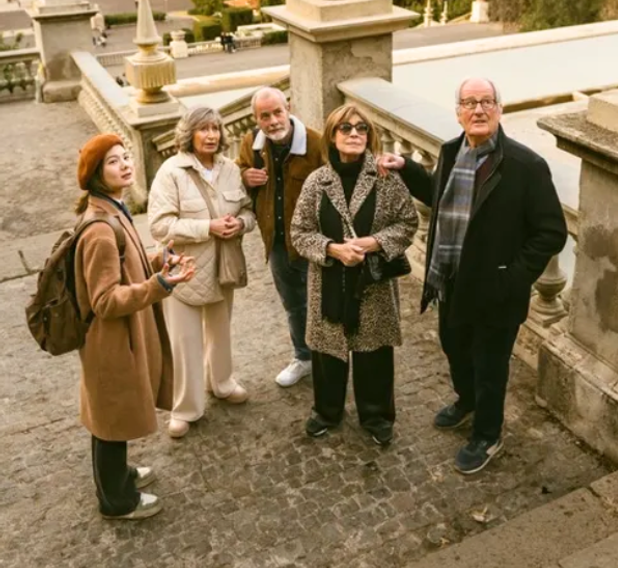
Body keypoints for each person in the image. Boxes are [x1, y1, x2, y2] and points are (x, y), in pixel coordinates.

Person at [381, 78, 568, 474]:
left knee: (490, 365)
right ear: (458, 112)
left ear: (499, 110)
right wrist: (406, 168)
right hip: (450, 280)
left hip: (497, 291)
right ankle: (466, 402)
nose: (478, 110)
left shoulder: (525, 166)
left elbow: (551, 231)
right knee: (454, 348)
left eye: (486, 102)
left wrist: (513, 277)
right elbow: (440, 195)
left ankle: (488, 433)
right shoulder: (451, 152)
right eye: (469, 103)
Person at [71, 135, 196, 519]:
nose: (125, 164)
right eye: (113, 161)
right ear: (95, 174)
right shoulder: (100, 231)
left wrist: (159, 260)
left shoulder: (112, 210)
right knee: (111, 418)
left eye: (126, 157)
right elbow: (105, 300)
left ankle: (118, 476)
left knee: (113, 413)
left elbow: (128, 262)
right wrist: (162, 286)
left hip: (119, 337)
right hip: (111, 340)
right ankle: (116, 502)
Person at [291, 105, 418, 447]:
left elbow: (408, 223)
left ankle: (376, 415)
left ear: (369, 135)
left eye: (361, 128)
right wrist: (333, 249)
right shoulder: (318, 182)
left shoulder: (385, 178)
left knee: (373, 350)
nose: (354, 133)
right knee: (327, 351)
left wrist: (374, 242)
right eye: (345, 127)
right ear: (332, 136)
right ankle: (327, 412)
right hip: (328, 282)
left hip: (372, 284)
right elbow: (299, 232)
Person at [149, 107, 256, 438]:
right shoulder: (171, 172)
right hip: (184, 270)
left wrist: (240, 223)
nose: (211, 135)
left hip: (223, 265)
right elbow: (159, 225)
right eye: (203, 129)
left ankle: (222, 383)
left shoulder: (230, 170)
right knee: (185, 342)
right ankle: (185, 408)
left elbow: (249, 212)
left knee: (221, 332)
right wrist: (207, 227)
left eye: (215, 128)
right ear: (189, 133)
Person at [237, 87, 326, 387]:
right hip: (276, 241)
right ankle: (303, 357)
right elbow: (236, 175)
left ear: (288, 107)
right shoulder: (251, 143)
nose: (273, 121)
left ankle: (330, 357)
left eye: (277, 112)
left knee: (324, 301)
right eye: (265, 116)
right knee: (293, 304)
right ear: (256, 118)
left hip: (314, 240)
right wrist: (244, 177)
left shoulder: (315, 142)